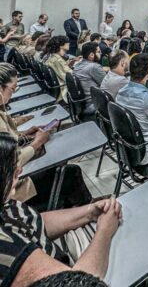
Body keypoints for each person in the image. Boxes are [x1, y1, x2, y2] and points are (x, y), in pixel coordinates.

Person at [0, 133, 122, 284]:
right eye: (11, 168)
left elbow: (34, 222)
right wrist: (105, 231)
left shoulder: (6, 204)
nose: (20, 170)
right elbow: (79, 283)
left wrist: (89, 212)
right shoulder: (7, 250)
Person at [0, 63, 91, 209]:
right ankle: (85, 210)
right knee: (70, 172)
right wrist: (36, 143)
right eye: (12, 88)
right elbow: (10, 161)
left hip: (12, 177)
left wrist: (24, 133)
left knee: (56, 158)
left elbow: (7, 140)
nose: (14, 92)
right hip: (12, 190)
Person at [72, 42, 106, 114]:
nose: (101, 53)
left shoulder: (77, 65)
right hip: (92, 104)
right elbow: (107, 84)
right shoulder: (94, 67)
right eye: (98, 52)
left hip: (81, 103)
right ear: (91, 55)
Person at [45, 36, 77, 102]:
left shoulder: (54, 57)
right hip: (64, 90)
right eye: (67, 42)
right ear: (61, 45)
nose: (69, 43)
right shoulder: (58, 60)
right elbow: (69, 76)